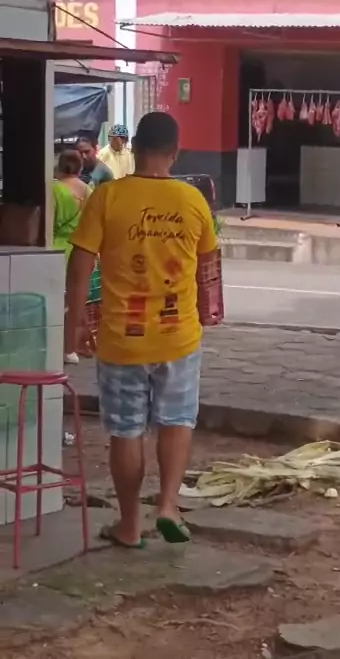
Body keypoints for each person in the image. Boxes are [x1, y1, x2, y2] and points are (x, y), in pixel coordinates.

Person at [65, 112, 218, 549]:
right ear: (175, 152)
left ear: (133, 147)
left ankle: (130, 524)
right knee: (176, 421)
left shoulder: (108, 196)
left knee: (126, 430)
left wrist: (76, 322)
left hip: (122, 339)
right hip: (178, 337)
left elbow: (81, 264)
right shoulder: (192, 200)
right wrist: (207, 313)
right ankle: (167, 505)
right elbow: (208, 267)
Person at [53, 150, 92, 364]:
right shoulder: (88, 191)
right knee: (76, 300)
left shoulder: (54, 189)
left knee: (55, 298)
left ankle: (55, 344)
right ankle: (70, 348)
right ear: (80, 167)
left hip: (57, 247)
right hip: (81, 248)